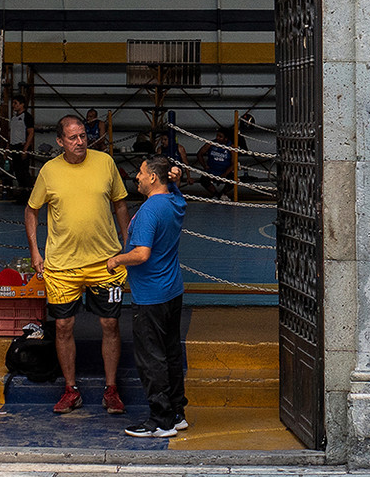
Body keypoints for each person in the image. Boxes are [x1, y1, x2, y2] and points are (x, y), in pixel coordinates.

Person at [25, 115, 131, 415]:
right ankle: (70, 390)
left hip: (105, 262)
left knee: (110, 323)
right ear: (60, 141)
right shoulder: (49, 171)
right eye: (72, 138)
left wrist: (128, 246)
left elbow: (120, 204)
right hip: (62, 265)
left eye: (83, 135)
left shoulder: (105, 163)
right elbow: (31, 210)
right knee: (62, 326)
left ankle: (111, 389)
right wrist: (35, 252)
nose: (80, 142)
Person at [111, 156, 187, 439]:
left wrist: (116, 260)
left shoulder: (148, 211)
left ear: (154, 177)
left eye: (142, 173)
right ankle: (177, 413)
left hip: (150, 296)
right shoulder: (175, 201)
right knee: (171, 353)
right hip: (172, 291)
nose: (137, 177)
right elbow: (175, 188)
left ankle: (160, 420)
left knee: (151, 359)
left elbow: (141, 254)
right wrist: (176, 180)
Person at [7, 95, 35, 191]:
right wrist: (7, 147)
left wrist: (25, 149)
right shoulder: (14, 118)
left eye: (16, 103)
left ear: (22, 104)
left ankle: (28, 193)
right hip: (14, 146)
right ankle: (22, 192)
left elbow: (31, 133)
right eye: (13, 103)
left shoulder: (27, 117)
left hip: (22, 147)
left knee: (24, 172)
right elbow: (11, 133)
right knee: (17, 172)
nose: (13, 105)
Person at [200, 128, 234, 196]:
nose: (217, 138)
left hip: (224, 171)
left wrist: (225, 174)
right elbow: (199, 154)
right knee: (203, 180)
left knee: (233, 180)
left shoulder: (231, 147)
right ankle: (216, 195)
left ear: (226, 139)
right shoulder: (211, 144)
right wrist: (204, 166)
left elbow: (234, 163)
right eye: (217, 136)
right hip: (212, 170)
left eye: (220, 137)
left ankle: (222, 194)